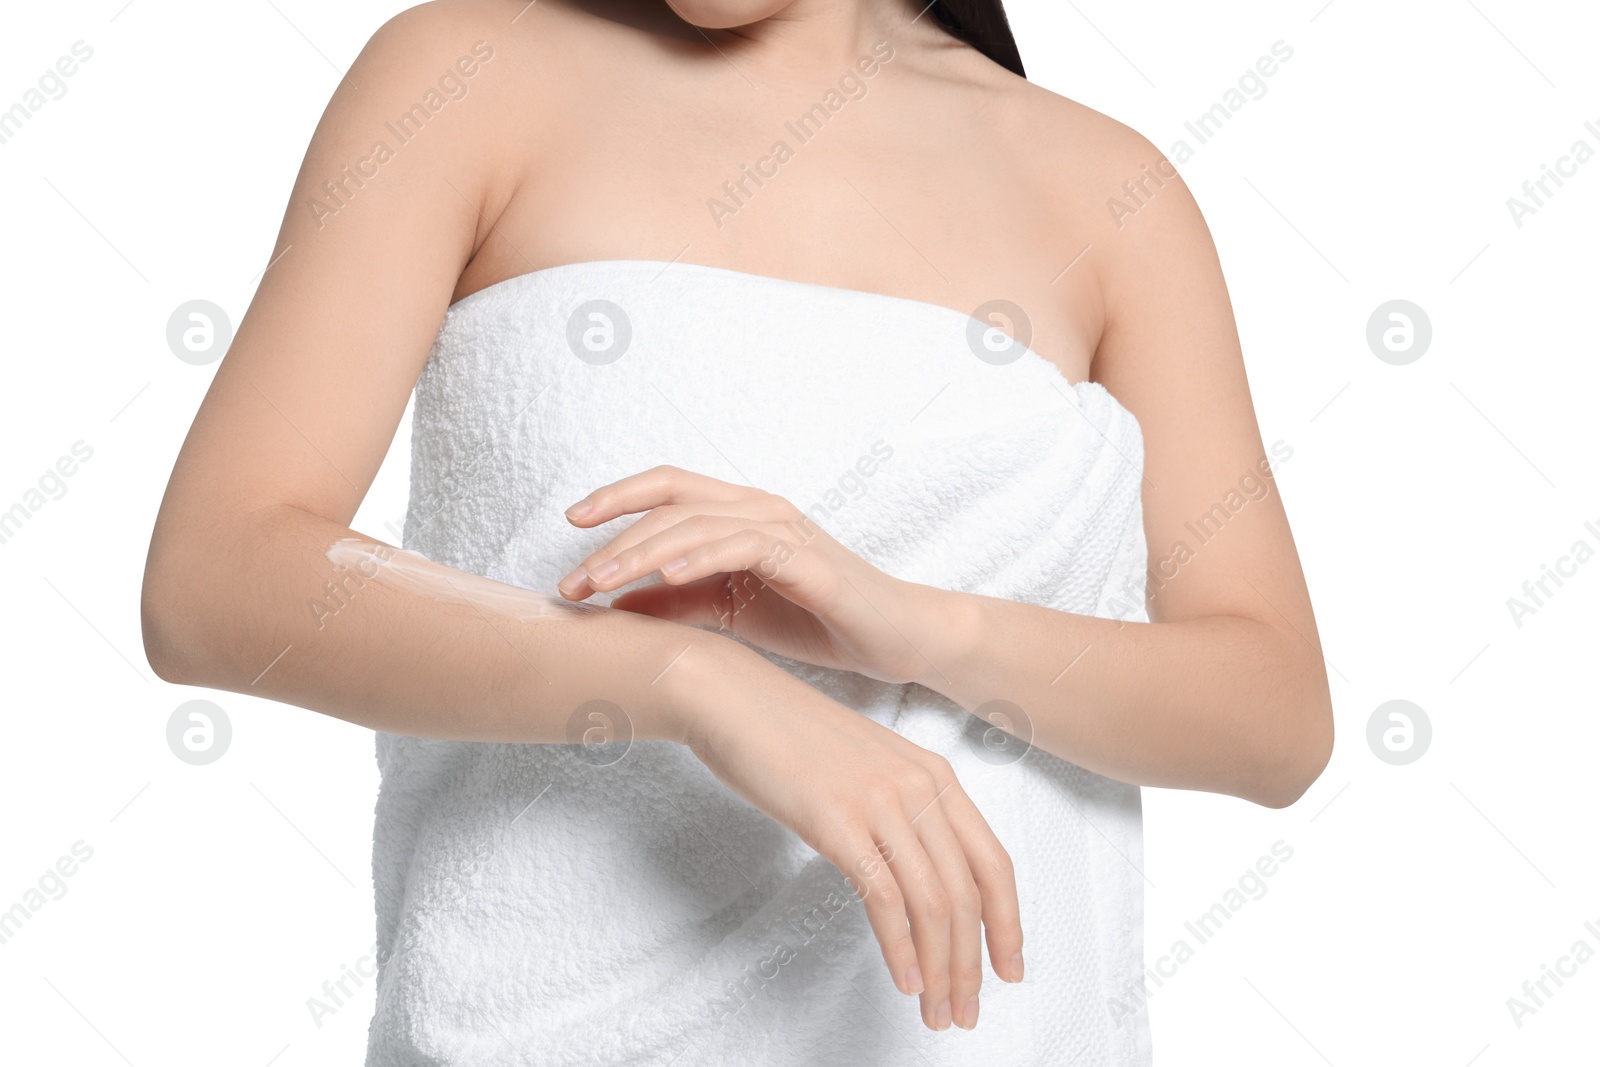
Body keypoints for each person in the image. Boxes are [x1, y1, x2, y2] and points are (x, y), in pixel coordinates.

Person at [141, 1, 1333, 1062]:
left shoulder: (1109, 193)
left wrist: (912, 625)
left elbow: (1272, 717)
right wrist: (686, 677)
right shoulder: (467, 75)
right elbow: (216, 576)